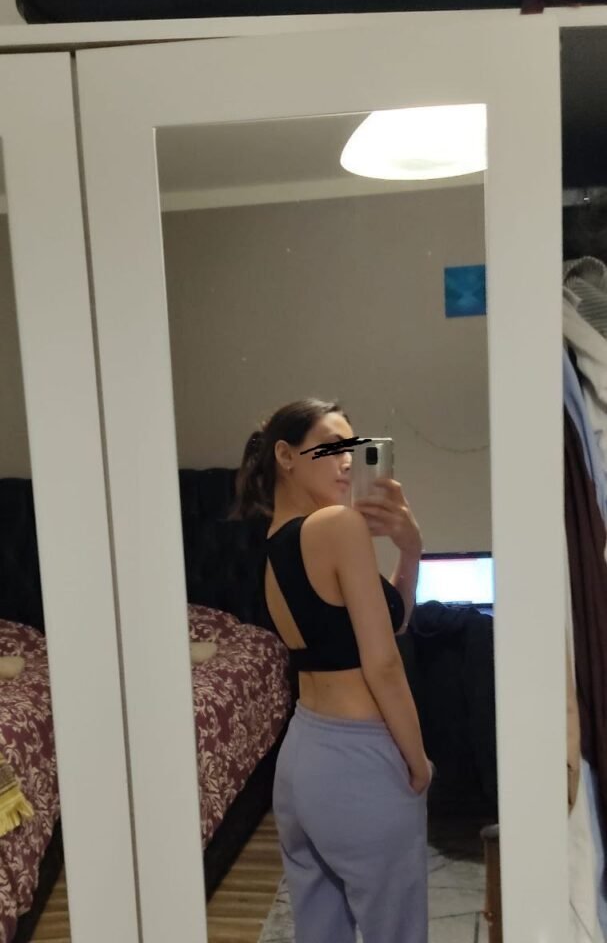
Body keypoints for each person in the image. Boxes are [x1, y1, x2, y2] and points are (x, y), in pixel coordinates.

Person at [231, 397, 433, 943]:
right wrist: (417, 760)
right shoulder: (338, 526)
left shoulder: (276, 543)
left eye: (353, 448)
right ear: (285, 456)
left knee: (321, 928)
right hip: (359, 760)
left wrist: (409, 550)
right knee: (397, 930)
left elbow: (389, 622)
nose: (348, 460)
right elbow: (384, 663)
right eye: (331, 447)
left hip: (302, 758)